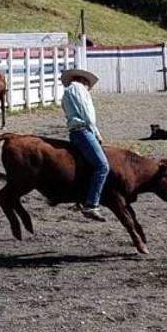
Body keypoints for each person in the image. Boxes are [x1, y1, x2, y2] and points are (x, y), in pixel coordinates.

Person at [61, 68, 110, 222]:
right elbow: (87, 114)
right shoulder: (79, 89)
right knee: (102, 166)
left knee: (85, 165)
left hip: (74, 131)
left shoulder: (67, 92)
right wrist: (96, 132)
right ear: (84, 81)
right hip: (83, 131)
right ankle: (91, 204)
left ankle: (80, 198)